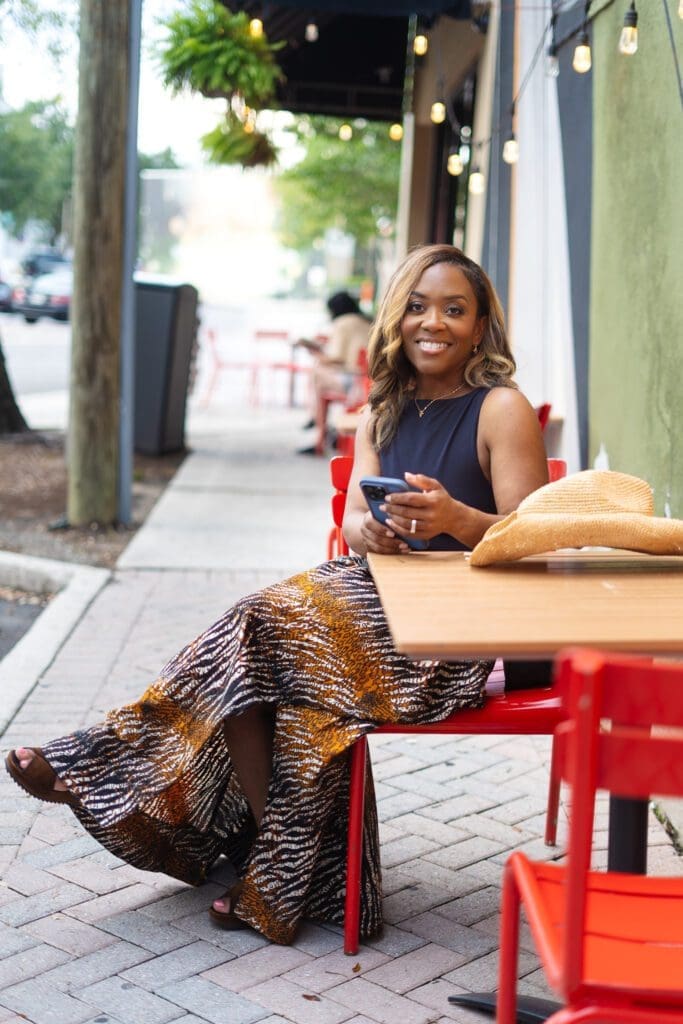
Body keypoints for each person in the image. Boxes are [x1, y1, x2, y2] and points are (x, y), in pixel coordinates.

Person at [5, 244, 548, 946]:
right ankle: (282, 879)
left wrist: (456, 521)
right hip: (374, 599)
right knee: (259, 671)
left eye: (452, 309)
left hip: (453, 633)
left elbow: (533, 542)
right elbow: (355, 520)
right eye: (416, 306)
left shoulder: (500, 409)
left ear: (479, 327)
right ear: (395, 317)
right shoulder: (384, 409)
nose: (431, 323)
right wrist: (373, 532)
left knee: (254, 634)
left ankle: (111, 758)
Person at [295, 290, 372, 455]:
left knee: (316, 373)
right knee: (319, 376)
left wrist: (316, 353)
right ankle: (319, 424)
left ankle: (319, 432)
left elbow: (336, 358)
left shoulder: (342, 323)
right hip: (370, 381)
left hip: (355, 383)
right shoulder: (367, 321)